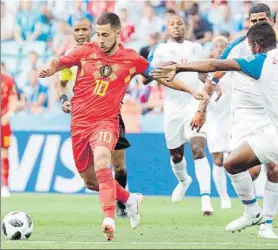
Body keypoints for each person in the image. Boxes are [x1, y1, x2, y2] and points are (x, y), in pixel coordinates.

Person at [38, 12, 208, 241]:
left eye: (105, 35)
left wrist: (190, 91)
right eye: (97, 35)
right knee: (91, 182)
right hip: (79, 123)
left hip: (106, 122)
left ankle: (109, 218)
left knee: (103, 163)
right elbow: (59, 62)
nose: (100, 39)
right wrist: (50, 69)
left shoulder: (131, 58)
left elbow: (160, 76)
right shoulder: (85, 51)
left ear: (117, 34)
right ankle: (130, 199)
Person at [151, 21, 278, 237]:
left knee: (233, 164)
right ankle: (255, 214)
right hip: (271, 133)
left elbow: (214, 66)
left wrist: (179, 67)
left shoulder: (260, 62)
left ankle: (254, 213)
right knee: (233, 162)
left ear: (256, 46)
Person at [58, 18, 131, 218]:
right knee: (92, 177)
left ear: (93, 31)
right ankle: (125, 199)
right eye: (77, 29)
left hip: (109, 116)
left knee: (119, 166)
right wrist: (64, 99)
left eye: (84, 29)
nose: (81, 33)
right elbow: (63, 83)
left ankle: (122, 204)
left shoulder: (104, 53)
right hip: (83, 118)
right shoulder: (69, 56)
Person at [148, 14, 214, 216]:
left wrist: (208, 90)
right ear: (167, 28)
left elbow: (204, 75)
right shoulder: (160, 49)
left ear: (185, 27)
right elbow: (149, 74)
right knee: (176, 155)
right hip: (173, 108)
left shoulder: (196, 48)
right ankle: (184, 180)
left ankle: (206, 200)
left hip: (193, 103)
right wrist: (160, 68)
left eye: (180, 24)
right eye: (172, 24)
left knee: (198, 150)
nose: (176, 27)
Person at [206, 36, 232, 209]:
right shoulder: (207, 72)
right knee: (218, 159)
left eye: (224, 46)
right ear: (213, 50)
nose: (221, 48)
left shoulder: (234, 68)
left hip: (233, 118)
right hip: (214, 119)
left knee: (234, 158)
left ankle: (246, 195)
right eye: (218, 46)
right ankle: (224, 198)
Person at [1, 63, 17, 198]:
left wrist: (10, 113)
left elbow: (13, 100)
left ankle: (5, 185)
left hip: (3, 122)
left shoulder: (8, 80)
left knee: (4, 152)